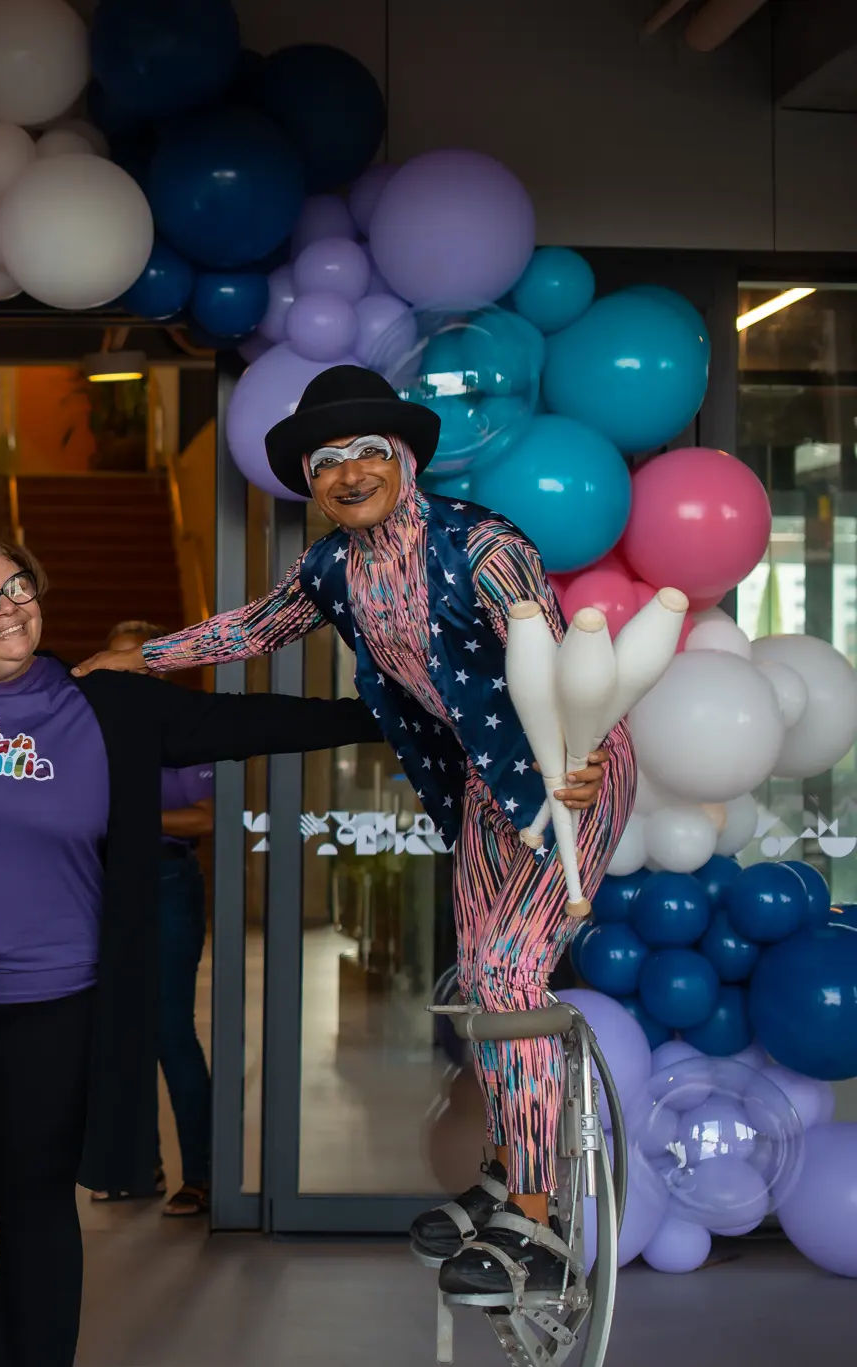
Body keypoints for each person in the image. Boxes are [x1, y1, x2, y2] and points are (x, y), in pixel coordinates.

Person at [77, 365, 627, 1300]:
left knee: (505, 976)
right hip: (483, 783)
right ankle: (507, 1171)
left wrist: (582, 756)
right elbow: (257, 627)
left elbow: (557, 661)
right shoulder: (333, 567)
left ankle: (540, 1224)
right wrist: (145, 655)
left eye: (368, 451)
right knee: (485, 979)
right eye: (325, 462)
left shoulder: (482, 545)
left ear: (405, 458)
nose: (347, 472)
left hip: (568, 769)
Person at [0, 538, 386, 1367]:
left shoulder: (103, 703)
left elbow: (250, 724)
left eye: (20, 586)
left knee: (38, 1202)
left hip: (59, 998)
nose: (8, 607)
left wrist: (391, 710)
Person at [97, 619, 215, 1219]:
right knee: (121, 1029)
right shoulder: (90, 729)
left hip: (166, 881)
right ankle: (138, 1167)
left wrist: (129, 816)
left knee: (170, 1029)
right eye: (113, 666)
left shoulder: (183, 729)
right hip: (103, 884)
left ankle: (202, 1176)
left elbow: (204, 818)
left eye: (135, 667)